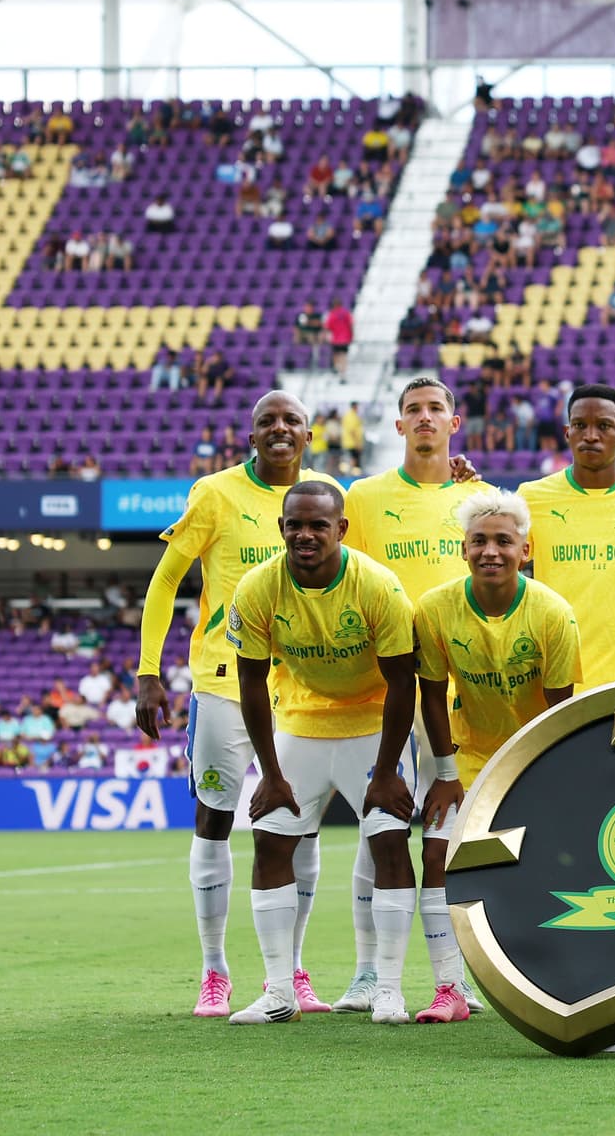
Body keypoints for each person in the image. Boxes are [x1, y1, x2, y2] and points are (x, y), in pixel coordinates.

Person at [133, 391, 339, 1018]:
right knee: (215, 816)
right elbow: (166, 579)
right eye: (267, 422)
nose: (279, 429)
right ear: (251, 435)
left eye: (291, 421)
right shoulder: (215, 493)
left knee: (299, 824)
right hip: (224, 677)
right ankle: (214, 971)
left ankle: (295, 971)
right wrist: (148, 670)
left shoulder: (327, 495)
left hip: (301, 682)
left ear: (309, 434)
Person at [223, 482, 427, 1027]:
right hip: (301, 723)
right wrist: (267, 772)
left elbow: (403, 683)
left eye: (318, 525)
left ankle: (387, 989)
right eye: (295, 525)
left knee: (389, 842)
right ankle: (279, 991)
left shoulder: (378, 586)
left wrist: (386, 772)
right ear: (282, 528)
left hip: (371, 724)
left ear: (342, 528)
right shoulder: (257, 586)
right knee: (269, 843)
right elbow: (250, 681)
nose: (305, 535)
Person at [342, 377, 492, 1012]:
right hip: (390, 689)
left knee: (446, 833)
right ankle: (368, 974)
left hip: (461, 691)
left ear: (454, 424)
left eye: (436, 409)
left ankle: (451, 979)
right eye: (413, 410)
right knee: (379, 832)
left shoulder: (479, 497)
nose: (425, 418)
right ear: (398, 425)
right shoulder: (366, 497)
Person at [410, 490, 582, 1023]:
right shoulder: (435, 609)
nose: (491, 551)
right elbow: (432, 694)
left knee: (544, 864)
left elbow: (562, 712)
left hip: (534, 754)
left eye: (503, 541)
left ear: (525, 550)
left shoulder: (553, 613)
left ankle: (553, 977)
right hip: (466, 755)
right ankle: (449, 989)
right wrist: (442, 773)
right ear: (463, 549)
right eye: (479, 541)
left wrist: (553, 779)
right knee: (438, 857)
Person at [517, 385, 615, 691]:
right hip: (554, 680)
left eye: (603, 426)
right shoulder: (532, 496)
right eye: (580, 425)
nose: (590, 435)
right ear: (567, 432)